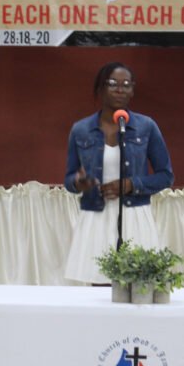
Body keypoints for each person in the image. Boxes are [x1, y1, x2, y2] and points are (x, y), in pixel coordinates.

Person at [63, 62, 174, 282]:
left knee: (138, 286)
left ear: (133, 90)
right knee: (100, 288)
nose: (120, 89)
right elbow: (68, 179)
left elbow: (166, 176)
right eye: (113, 83)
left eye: (126, 84)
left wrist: (132, 185)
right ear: (101, 88)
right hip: (96, 216)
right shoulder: (81, 129)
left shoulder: (146, 126)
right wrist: (79, 183)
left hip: (134, 216)